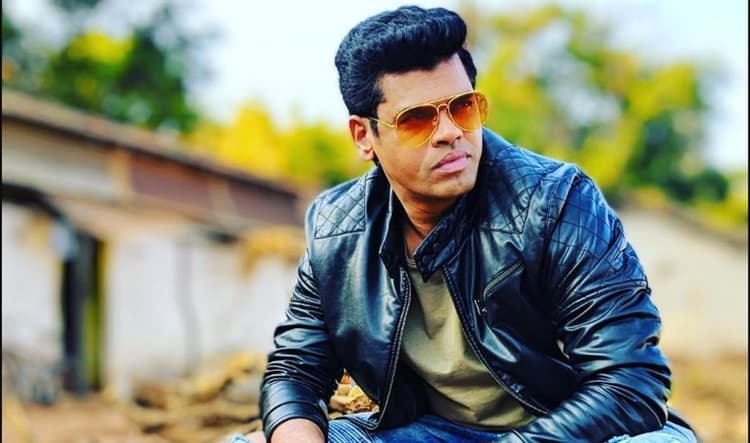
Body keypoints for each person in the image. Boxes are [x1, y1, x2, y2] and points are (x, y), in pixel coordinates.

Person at [236, 5, 697, 443]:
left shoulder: (558, 202)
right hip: (434, 432)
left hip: (576, 433)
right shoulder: (337, 228)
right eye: (417, 120)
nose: (450, 132)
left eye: (462, 107)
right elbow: (297, 368)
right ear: (363, 136)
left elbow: (629, 382)